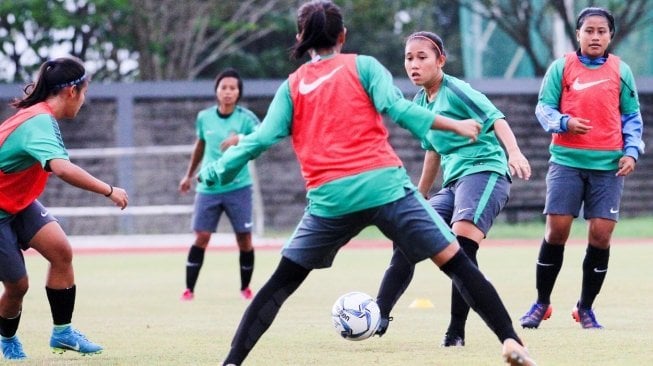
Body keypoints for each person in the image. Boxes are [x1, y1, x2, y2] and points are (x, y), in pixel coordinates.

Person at [198, 1, 535, 365]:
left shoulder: (292, 86)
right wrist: (454, 124)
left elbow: (260, 139)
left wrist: (217, 172)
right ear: (342, 36)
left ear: (300, 38)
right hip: (385, 188)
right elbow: (399, 109)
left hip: (330, 198)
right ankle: (510, 340)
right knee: (456, 262)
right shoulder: (364, 66)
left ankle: (232, 361)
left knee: (281, 283)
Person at [375, 31, 531, 348]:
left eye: (422, 57)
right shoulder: (419, 102)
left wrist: (514, 153)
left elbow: (496, 118)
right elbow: (433, 150)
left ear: (440, 60)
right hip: (454, 183)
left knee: (461, 245)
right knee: (409, 233)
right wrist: (419, 195)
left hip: (485, 172)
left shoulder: (457, 90)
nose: (414, 64)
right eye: (409, 58)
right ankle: (378, 315)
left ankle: (455, 331)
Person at [519, 7, 644, 330]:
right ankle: (541, 303)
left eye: (602, 31)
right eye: (589, 30)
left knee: (601, 236)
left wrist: (631, 150)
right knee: (557, 230)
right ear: (578, 34)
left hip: (608, 166)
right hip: (567, 162)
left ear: (610, 36)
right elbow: (543, 107)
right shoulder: (561, 68)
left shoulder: (621, 71)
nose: (595, 36)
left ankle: (585, 308)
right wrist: (563, 122)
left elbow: (631, 115)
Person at [0, 57, 129, 360]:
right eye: (84, 93)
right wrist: (109, 190)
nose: (84, 101)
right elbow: (62, 168)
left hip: (17, 204)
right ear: (72, 91)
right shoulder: (40, 120)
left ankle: (63, 334)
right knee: (18, 286)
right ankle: (6, 338)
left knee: (61, 251)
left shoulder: (39, 116)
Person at [179, 68, 260, 302]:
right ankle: (189, 289)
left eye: (232, 88)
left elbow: (263, 138)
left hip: (239, 186)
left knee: (244, 238)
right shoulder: (204, 117)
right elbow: (200, 146)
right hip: (209, 188)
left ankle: (245, 288)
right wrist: (188, 175)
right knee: (201, 236)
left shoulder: (246, 118)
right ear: (216, 91)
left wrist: (240, 139)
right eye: (223, 87)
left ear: (238, 93)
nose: (227, 92)